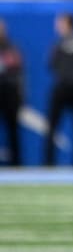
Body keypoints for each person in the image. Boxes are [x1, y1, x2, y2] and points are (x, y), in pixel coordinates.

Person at [45, 13, 73, 166]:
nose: (57, 26)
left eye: (60, 22)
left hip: (63, 88)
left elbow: (52, 65)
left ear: (67, 24)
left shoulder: (60, 44)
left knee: (53, 126)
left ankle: (49, 163)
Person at [0, 19, 24, 166]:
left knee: (13, 129)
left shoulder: (12, 48)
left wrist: (19, 93)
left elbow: (19, 71)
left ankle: (16, 163)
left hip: (9, 92)